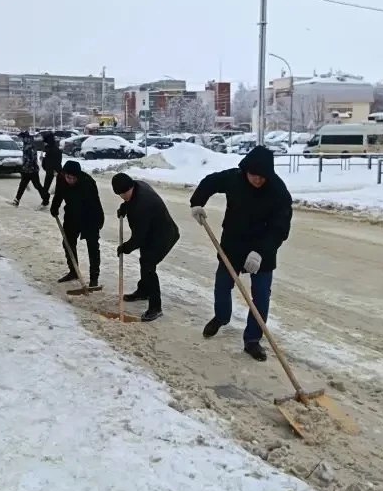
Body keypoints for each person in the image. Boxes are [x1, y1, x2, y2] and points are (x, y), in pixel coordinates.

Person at [189, 145, 292, 361]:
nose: (257, 180)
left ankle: (252, 340)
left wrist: (261, 252)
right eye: (253, 175)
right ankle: (221, 317)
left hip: (262, 249)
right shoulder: (235, 178)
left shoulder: (279, 192)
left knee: (261, 297)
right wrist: (197, 203)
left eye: (262, 177)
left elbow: (280, 228)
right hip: (233, 243)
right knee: (222, 285)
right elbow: (210, 182)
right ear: (246, 171)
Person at [111, 173, 180, 323]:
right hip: (152, 232)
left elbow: (138, 238)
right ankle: (143, 291)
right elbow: (131, 202)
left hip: (164, 236)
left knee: (148, 265)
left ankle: (156, 307)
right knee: (145, 260)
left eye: (124, 194)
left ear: (130, 187)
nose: (123, 197)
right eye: (120, 195)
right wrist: (125, 207)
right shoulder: (137, 185)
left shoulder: (143, 204)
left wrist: (125, 248)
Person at [50, 160, 104, 287]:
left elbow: (95, 205)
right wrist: (55, 206)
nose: (70, 180)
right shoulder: (61, 178)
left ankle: (94, 278)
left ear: (78, 177)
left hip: (90, 216)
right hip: (72, 214)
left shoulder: (88, 183)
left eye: (73, 178)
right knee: (67, 242)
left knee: (92, 246)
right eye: (68, 177)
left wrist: (96, 224)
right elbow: (59, 193)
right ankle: (73, 271)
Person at [12, 130, 48, 207]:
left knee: (37, 185)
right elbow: (26, 158)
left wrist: (26, 166)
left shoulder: (30, 146)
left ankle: (46, 199)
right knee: (22, 185)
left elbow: (32, 158)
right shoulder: (27, 145)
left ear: (25, 138)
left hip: (32, 170)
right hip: (26, 170)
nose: (21, 140)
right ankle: (17, 200)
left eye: (22, 138)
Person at [40, 131, 63, 198]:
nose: (44, 143)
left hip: (53, 170)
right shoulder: (49, 148)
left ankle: (46, 201)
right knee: (47, 187)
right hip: (50, 170)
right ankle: (45, 201)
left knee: (56, 188)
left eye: (45, 142)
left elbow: (57, 160)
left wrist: (55, 170)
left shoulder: (53, 149)